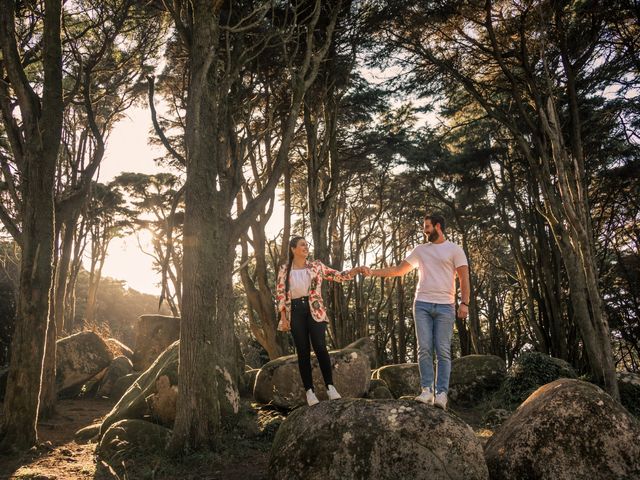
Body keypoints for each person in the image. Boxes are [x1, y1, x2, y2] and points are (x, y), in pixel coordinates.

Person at [362, 214, 469, 410]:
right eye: (424, 227)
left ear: (438, 226)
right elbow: (398, 270)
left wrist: (465, 303)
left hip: (445, 306)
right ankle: (427, 390)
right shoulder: (420, 250)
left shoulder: (455, 250)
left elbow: (464, 278)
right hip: (422, 305)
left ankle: (442, 394)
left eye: (427, 227)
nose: (424, 230)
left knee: (443, 350)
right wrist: (372, 272)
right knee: (424, 348)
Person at [276, 236, 361, 406]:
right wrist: (283, 318)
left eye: (307, 245)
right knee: (302, 351)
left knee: (320, 347)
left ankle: (330, 387)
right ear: (293, 249)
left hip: (315, 310)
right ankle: (309, 392)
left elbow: (337, 275)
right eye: (302, 245)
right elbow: (280, 295)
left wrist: (355, 271)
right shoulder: (284, 270)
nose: (306, 247)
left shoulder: (316, 266)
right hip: (295, 312)